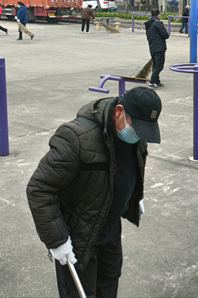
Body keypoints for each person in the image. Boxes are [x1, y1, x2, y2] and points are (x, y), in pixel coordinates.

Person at [26, 86, 161, 298]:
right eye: (137, 127)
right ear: (119, 112)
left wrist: (134, 197)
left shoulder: (136, 133)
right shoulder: (76, 138)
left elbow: (132, 167)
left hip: (110, 227)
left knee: (109, 284)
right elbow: (40, 188)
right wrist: (57, 240)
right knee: (81, 293)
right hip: (80, 235)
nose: (139, 135)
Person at [145, 9, 169, 89]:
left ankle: (157, 81)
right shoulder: (158, 23)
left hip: (152, 46)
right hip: (159, 47)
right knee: (159, 66)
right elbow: (165, 35)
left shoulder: (149, 23)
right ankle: (152, 82)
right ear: (158, 15)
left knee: (155, 65)